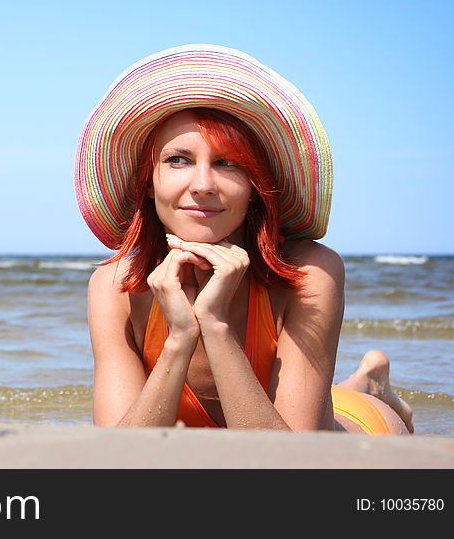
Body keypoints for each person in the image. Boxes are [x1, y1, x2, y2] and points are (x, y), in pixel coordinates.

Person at [74, 44, 413, 434]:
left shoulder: (310, 273)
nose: (202, 185)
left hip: (356, 434)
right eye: (178, 160)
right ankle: (364, 381)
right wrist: (180, 338)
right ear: (148, 183)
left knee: (343, 411)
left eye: (227, 163)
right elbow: (120, 460)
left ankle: (370, 391)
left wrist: (215, 325)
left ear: (254, 185)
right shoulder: (115, 287)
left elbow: (287, 465)